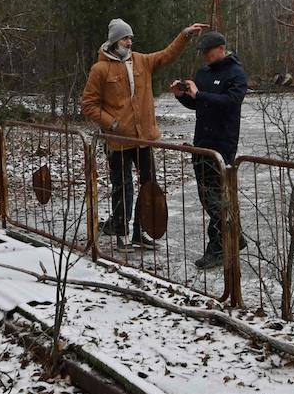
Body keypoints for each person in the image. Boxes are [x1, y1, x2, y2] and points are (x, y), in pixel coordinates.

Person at [81, 18, 207, 249]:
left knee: (148, 186)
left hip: (144, 139)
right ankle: (121, 234)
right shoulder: (100, 69)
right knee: (122, 187)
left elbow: (167, 55)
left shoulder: (142, 61)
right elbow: (89, 104)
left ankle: (141, 232)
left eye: (130, 38)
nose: (129, 42)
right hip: (118, 141)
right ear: (114, 41)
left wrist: (185, 35)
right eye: (125, 38)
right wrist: (113, 123)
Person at [170, 30, 248, 270]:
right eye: (202, 52)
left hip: (222, 144)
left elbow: (231, 103)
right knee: (209, 197)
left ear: (222, 48)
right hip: (201, 142)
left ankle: (218, 248)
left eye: (208, 51)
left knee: (216, 199)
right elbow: (198, 103)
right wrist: (182, 96)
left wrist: (200, 94)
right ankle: (236, 236)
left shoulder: (236, 73)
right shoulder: (203, 73)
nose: (204, 55)